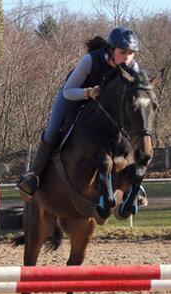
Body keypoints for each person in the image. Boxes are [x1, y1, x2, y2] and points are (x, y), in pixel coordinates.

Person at [16, 26, 141, 201]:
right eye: (123, 52)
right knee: (52, 130)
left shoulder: (133, 67)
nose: (127, 58)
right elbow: (69, 91)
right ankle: (34, 175)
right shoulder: (90, 61)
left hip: (103, 106)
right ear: (111, 50)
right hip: (75, 96)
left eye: (131, 53)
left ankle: (133, 181)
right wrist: (89, 92)